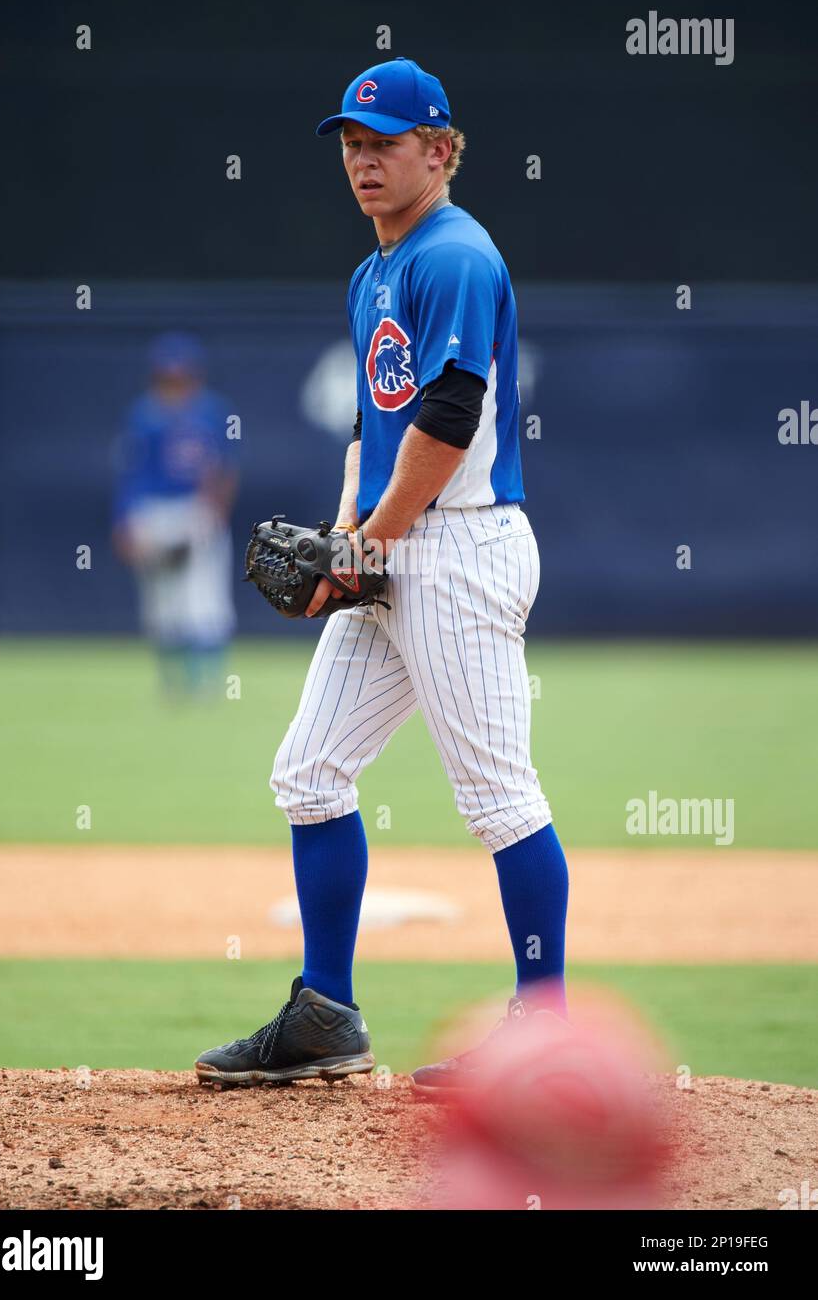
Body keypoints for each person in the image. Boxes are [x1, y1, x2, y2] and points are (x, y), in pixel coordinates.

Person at [195, 58, 568, 1092]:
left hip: (459, 546)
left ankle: (545, 1036)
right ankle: (324, 1014)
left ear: (439, 152)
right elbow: (376, 423)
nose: (362, 159)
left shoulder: (454, 254)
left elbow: (447, 422)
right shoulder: (372, 272)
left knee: (497, 798)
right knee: (308, 772)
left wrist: (370, 545)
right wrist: (346, 533)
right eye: (351, 144)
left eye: (385, 142)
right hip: (402, 541)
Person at [112, 332, 239, 696]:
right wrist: (126, 521)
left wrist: (214, 511)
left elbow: (225, 469)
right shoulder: (143, 415)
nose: (175, 381)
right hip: (153, 512)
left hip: (196, 509)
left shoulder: (211, 412)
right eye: (168, 375)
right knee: (162, 603)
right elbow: (131, 473)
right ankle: (174, 682)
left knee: (205, 598)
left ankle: (209, 682)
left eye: (181, 374)